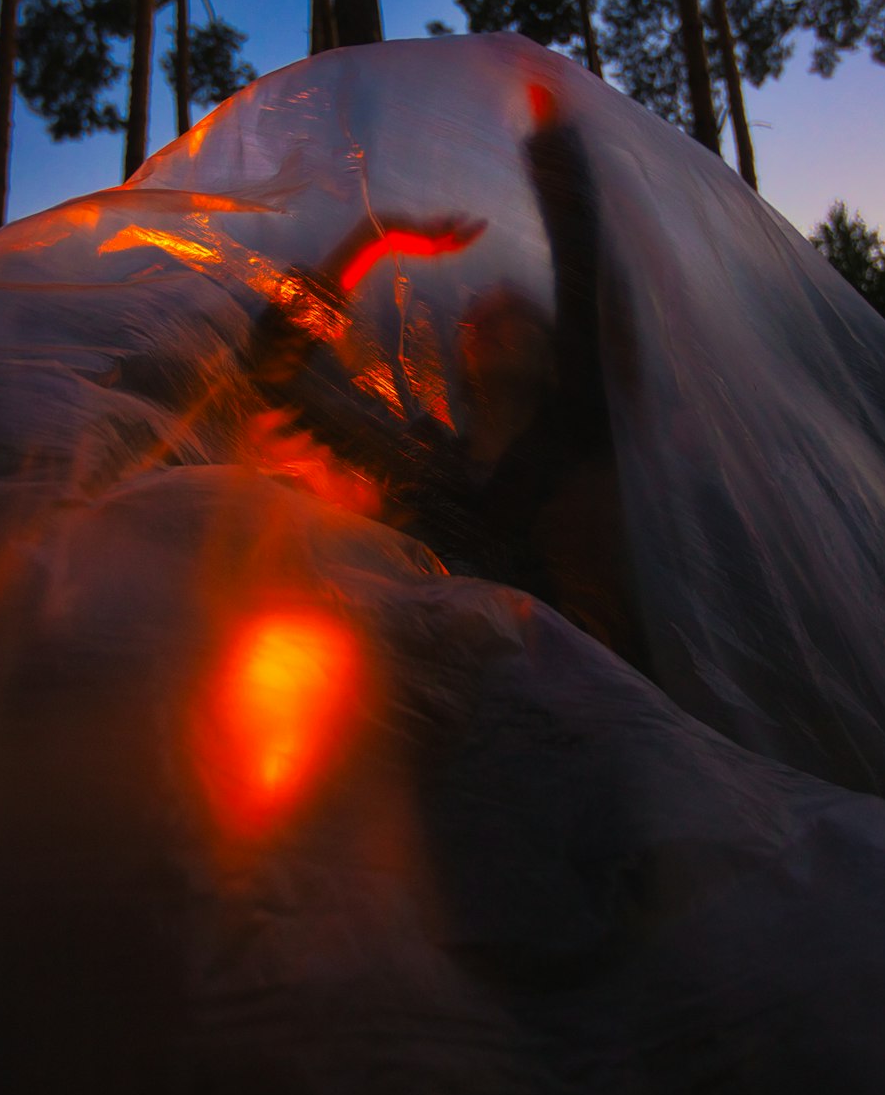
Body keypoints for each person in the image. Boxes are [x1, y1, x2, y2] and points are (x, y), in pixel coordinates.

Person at [244, 85, 643, 666]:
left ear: (554, 357)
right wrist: (373, 241)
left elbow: (580, 257)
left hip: (597, 713)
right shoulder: (423, 464)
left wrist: (551, 128)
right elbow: (273, 369)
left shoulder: (580, 430)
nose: (493, 314)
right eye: (480, 312)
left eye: (519, 314)